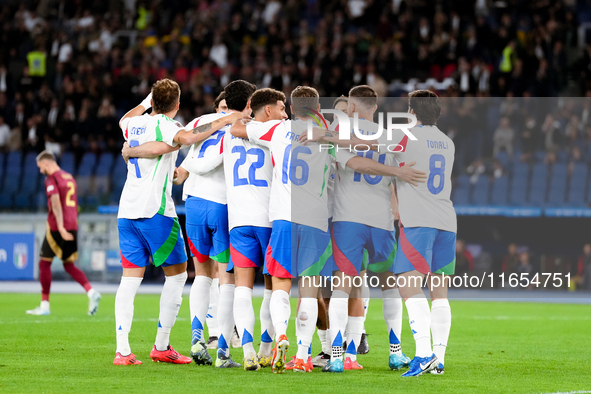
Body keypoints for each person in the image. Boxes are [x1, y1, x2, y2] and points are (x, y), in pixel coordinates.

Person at [231, 85, 426, 373]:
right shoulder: (341, 134)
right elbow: (373, 150)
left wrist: (235, 118)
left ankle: (295, 341)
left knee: (290, 286)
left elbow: (238, 129)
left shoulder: (279, 129)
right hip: (334, 220)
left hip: (302, 217)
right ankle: (323, 354)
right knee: (356, 287)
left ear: (293, 109)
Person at [308, 89, 455, 376]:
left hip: (359, 219)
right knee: (422, 290)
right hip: (420, 221)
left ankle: (339, 355)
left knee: (354, 285)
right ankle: (411, 354)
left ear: (412, 112)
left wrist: (324, 136)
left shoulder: (400, 135)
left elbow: (355, 152)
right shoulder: (447, 142)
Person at [123, 80, 253, 368]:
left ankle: (196, 338)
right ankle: (222, 349)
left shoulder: (196, 121)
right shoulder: (242, 125)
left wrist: (179, 170)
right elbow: (197, 150)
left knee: (201, 275)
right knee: (224, 277)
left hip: (191, 204)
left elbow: (186, 162)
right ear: (248, 103)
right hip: (220, 206)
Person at [324, 85, 410, 373]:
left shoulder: (338, 130)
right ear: (375, 107)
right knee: (389, 287)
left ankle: (337, 354)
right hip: (383, 221)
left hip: (348, 219)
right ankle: (395, 352)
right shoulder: (389, 135)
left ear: (351, 107)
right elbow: (403, 174)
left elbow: (349, 163)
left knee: (342, 288)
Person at [224, 88, 288, 370]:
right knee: (272, 289)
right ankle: (265, 348)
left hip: (238, 219)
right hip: (268, 219)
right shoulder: (277, 131)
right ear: (269, 111)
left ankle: (247, 351)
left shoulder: (230, 133)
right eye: (281, 108)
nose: (286, 114)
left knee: (242, 289)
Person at [26, 151, 101, 316]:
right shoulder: (69, 178)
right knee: (69, 265)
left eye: (40, 167)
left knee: (44, 264)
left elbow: (56, 204)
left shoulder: (51, 179)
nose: (40, 171)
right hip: (73, 224)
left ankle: (44, 306)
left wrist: (59, 227)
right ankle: (91, 292)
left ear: (46, 164)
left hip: (57, 227)